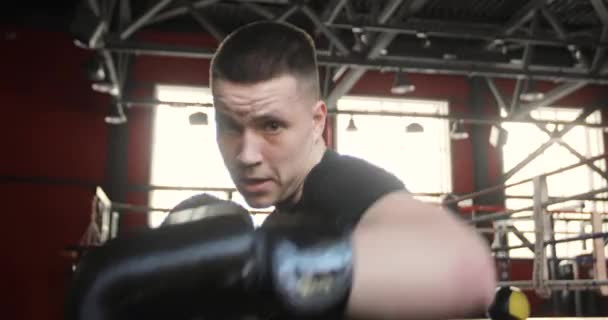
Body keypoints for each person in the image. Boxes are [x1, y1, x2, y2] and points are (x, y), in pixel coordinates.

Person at [65, 21, 497, 320]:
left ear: (317, 122)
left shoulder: (343, 184)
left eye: (272, 126)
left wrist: (267, 267)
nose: (247, 153)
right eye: (230, 127)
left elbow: (467, 267)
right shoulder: (282, 214)